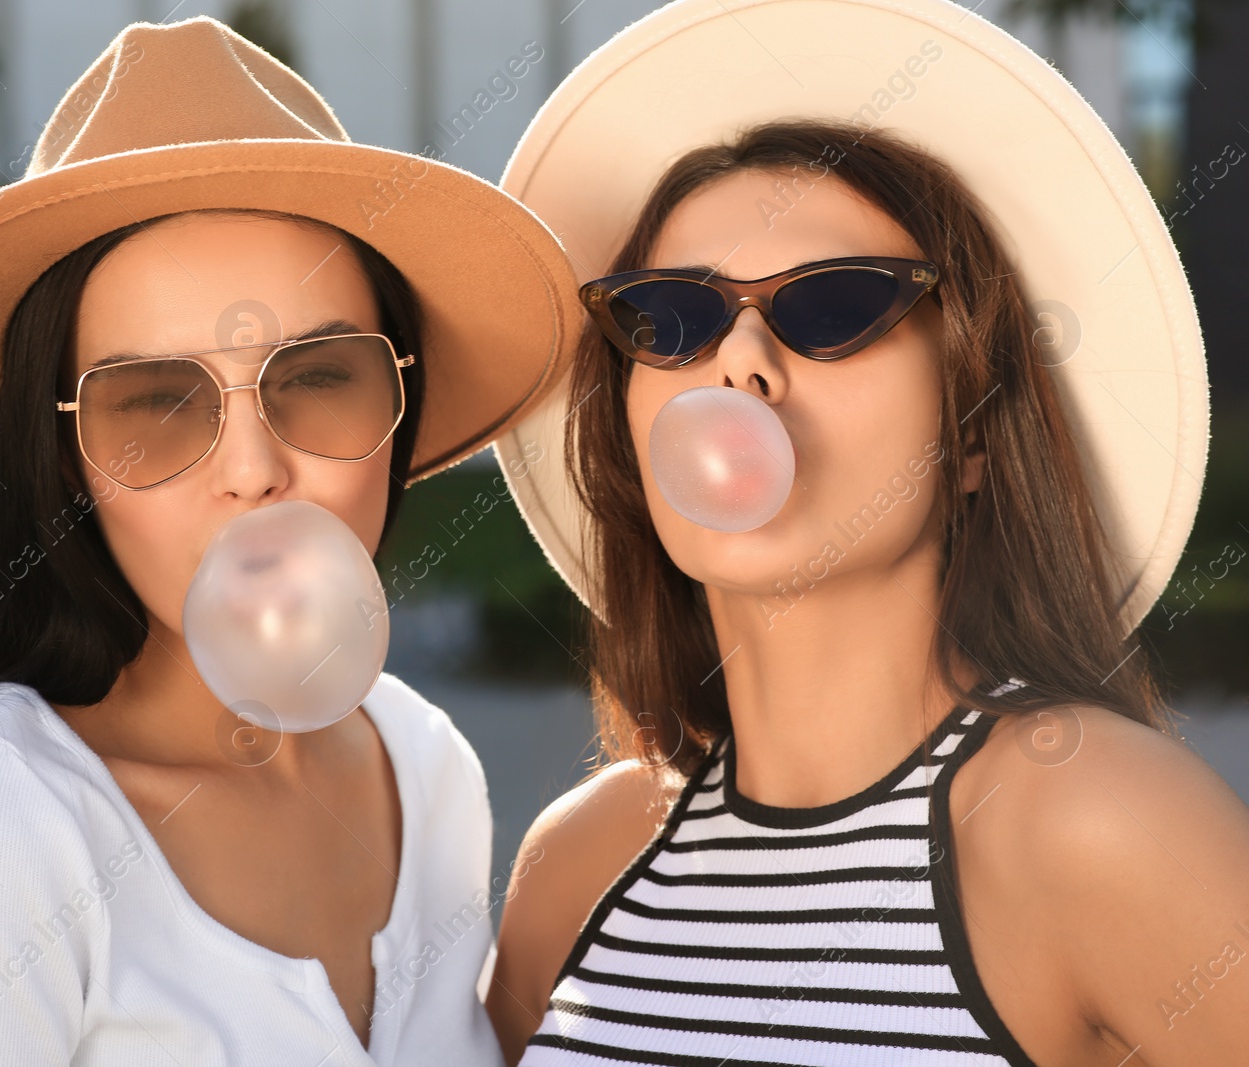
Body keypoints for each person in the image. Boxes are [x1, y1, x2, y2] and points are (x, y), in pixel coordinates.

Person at [0, 17, 580, 1066]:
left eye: (317, 375)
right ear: (60, 463)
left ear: (398, 400)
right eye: (156, 401)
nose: (255, 466)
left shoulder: (426, 761)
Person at [484, 0, 1249, 1064]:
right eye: (671, 316)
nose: (738, 362)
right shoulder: (575, 865)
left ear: (973, 430)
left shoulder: (1105, 825)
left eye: (834, 306)